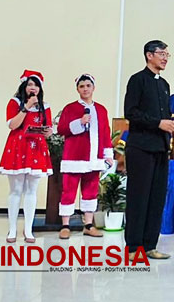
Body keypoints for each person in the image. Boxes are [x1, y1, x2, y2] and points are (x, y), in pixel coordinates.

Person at [123, 40, 174, 261]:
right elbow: (131, 112)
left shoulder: (164, 84)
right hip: (140, 147)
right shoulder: (137, 80)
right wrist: (158, 123)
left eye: (167, 54)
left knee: (156, 198)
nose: (165, 58)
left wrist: (172, 123)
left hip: (160, 147)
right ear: (149, 55)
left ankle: (149, 245)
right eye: (161, 53)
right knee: (139, 198)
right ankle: (133, 248)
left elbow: (163, 114)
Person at [56, 74, 114, 239]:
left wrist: (107, 154)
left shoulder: (101, 110)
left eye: (88, 86)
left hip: (94, 158)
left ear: (93, 88)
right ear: (77, 89)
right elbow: (61, 129)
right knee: (68, 191)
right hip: (74, 157)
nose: (85, 89)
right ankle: (65, 225)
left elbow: (105, 133)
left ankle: (88, 225)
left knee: (90, 191)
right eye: (82, 86)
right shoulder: (70, 108)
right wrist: (80, 122)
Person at [0, 70, 53, 243]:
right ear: (24, 86)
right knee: (15, 190)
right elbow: (13, 124)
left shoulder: (45, 106)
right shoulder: (14, 103)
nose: (33, 88)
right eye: (30, 84)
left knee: (32, 191)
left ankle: (28, 230)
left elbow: (49, 131)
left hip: (36, 148)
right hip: (18, 148)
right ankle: (12, 230)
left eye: (36, 85)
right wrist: (27, 106)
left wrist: (47, 131)